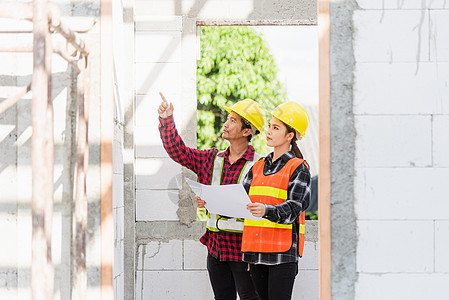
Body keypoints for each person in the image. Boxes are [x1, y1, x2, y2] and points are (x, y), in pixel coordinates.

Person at [157, 92, 263, 300]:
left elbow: (263, 208)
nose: (226, 124)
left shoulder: (260, 166)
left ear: (246, 131)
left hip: (245, 251)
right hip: (216, 248)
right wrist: (166, 120)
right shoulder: (211, 159)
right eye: (228, 119)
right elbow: (178, 151)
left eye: (233, 121)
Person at [240, 101, 311, 300]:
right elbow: (240, 200)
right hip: (255, 252)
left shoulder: (298, 167)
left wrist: (266, 210)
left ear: (290, 136)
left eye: (276, 127)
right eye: (270, 126)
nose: (269, 131)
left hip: (282, 254)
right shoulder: (258, 166)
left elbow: (295, 207)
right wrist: (210, 202)